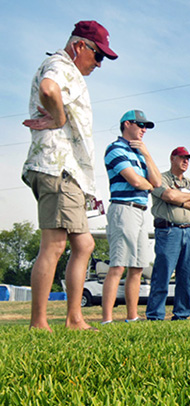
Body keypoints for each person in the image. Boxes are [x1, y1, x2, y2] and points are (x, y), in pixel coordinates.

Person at [22, 21, 118, 331]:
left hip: (69, 172)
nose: (99, 63)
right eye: (97, 55)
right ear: (79, 47)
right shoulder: (61, 64)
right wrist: (59, 116)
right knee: (54, 244)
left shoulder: (69, 70)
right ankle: (39, 322)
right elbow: (48, 89)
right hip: (57, 168)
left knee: (84, 245)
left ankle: (74, 318)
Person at [101, 110, 160, 324]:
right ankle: (107, 319)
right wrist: (148, 185)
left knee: (137, 267)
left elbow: (158, 182)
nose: (144, 129)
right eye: (140, 125)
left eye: (146, 126)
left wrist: (147, 154)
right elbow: (136, 182)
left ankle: (132, 317)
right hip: (123, 209)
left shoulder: (139, 153)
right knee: (118, 265)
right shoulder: (115, 149)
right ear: (127, 124)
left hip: (141, 212)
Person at [145, 147, 190, 321]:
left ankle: (181, 314)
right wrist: (186, 198)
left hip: (188, 231)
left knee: (187, 276)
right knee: (163, 274)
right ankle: (155, 315)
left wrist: (180, 200)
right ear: (172, 158)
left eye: (188, 159)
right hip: (167, 230)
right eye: (182, 158)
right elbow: (169, 195)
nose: (186, 161)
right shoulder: (160, 178)